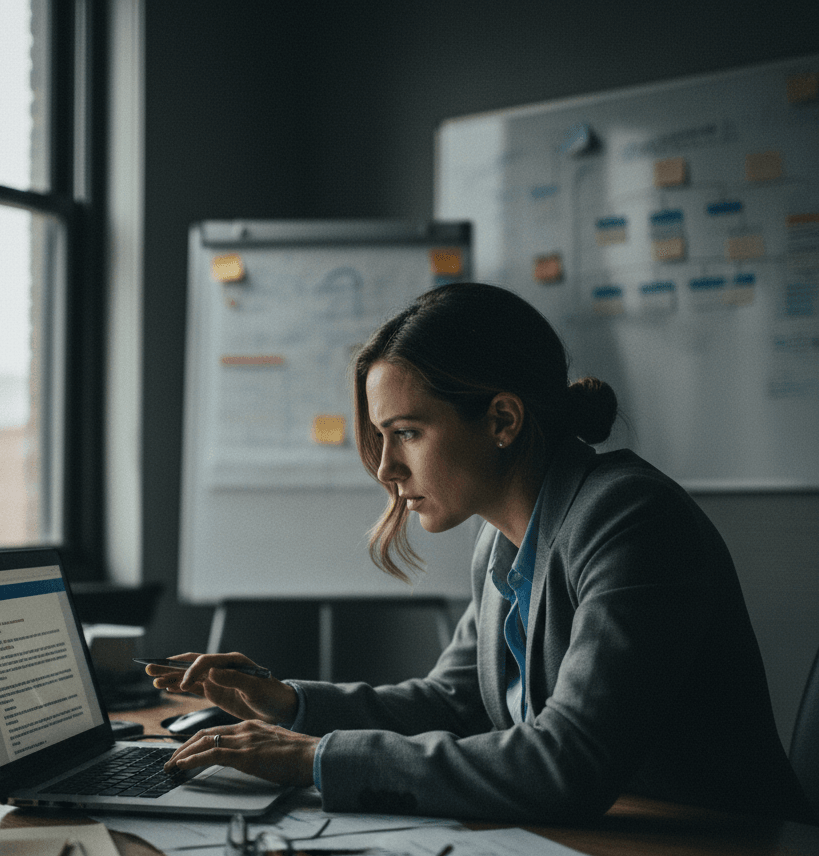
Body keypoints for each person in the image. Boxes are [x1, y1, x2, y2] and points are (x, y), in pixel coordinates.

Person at [154, 282, 812, 824]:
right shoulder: (500, 540)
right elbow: (451, 704)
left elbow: (567, 764)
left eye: (406, 433)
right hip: (621, 849)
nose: (386, 467)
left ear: (502, 420)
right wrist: (287, 705)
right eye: (382, 438)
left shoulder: (632, 519)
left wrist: (309, 757)